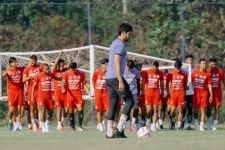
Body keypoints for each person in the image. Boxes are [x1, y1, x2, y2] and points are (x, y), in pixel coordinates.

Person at [105, 23, 134, 138]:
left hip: (109, 77)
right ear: (123, 33)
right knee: (130, 101)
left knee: (113, 105)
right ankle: (119, 129)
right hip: (116, 77)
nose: (130, 36)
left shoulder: (114, 43)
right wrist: (120, 80)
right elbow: (116, 63)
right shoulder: (120, 45)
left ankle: (109, 132)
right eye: (129, 34)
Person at [62, 62, 90, 132]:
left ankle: (80, 126)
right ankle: (72, 126)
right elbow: (63, 81)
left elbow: (84, 83)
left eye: (73, 69)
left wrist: (89, 92)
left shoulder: (81, 73)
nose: (71, 71)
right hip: (70, 94)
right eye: (70, 69)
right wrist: (63, 87)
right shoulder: (66, 73)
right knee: (71, 110)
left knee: (80, 109)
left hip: (78, 94)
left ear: (76, 68)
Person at [32, 63, 60, 132]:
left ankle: (47, 123)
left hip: (49, 97)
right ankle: (43, 126)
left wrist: (64, 79)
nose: (48, 70)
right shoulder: (39, 76)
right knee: (42, 111)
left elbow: (57, 78)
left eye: (48, 69)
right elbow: (33, 87)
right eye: (47, 69)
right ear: (43, 69)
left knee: (50, 112)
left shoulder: (51, 75)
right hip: (41, 97)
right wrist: (32, 97)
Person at [2, 57, 25, 131]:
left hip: (20, 91)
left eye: (16, 62)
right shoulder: (9, 70)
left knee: (18, 109)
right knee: (12, 109)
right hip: (12, 92)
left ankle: (17, 125)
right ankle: (10, 121)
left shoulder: (21, 69)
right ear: (10, 64)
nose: (16, 63)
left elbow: (28, 68)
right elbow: (3, 75)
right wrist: (6, 73)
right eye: (14, 62)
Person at [192, 58, 213, 131]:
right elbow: (190, 82)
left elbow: (209, 85)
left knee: (203, 110)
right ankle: (196, 122)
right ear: (199, 65)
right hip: (196, 94)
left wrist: (211, 95)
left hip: (204, 94)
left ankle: (201, 126)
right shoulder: (194, 72)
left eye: (205, 64)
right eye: (203, 63)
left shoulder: (208, 73)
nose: (204, 65)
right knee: (195, 111)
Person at [142, 61, 164, 131]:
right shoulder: (147, 72)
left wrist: (162, 91)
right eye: (154, 68)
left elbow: (162, 83)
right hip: (148, 93)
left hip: (156, 93)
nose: (155, 70)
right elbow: (142, 82)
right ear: (152, 66)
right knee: (149, 109)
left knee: (155, 109)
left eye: (157, 68)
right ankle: (148, 120)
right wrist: (142, 90)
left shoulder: (160, 73)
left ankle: (153, 125)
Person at [23, 55, 42, 131]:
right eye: (30, 61)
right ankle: (33, 124)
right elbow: (23, 80)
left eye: (33, 61)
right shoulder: (27, 69)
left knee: (40, 108)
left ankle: (41, 124)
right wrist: (29, 77)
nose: (31, 62)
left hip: (40, 90)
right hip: (31, 90)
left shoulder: (40, 67)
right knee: (32, 108)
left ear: (36, 60)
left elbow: (48, 69)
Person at [167, 59, 187, 130]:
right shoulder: (171, 74)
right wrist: (169, 92)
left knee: (180, 110)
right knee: (172, 110)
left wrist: (184, 94)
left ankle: (178, 125)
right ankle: (172, 120)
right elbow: (169, 84)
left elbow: (185, 85)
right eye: (177, 68)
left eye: (179, 68)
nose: (178, 69)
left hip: (181, 94)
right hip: (173, 94)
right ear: (174, 67)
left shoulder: (184, 75)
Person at [206, 58, 225, 130]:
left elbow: (223, 81)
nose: (213, 65)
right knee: (209, 109)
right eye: (212, 64)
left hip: (218, 93)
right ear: (209, 64)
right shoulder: (207, 72)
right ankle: (208, 123)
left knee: (217, 109)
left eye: (214, 64)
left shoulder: (220, 72)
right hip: (209, 93)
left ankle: (214, 125)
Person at [52, 51, 68, 131]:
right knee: (58, 108)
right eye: (60, 65)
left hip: (65, 93)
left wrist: (67, 55)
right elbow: (54, 64)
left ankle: (61, 121)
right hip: (57, 93)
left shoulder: (66, 71)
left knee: (66, 110)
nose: (61, 66)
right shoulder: (55, 71)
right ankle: (58, 124)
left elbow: (69, 63)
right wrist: (60, 54)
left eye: (63, 64)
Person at [92, 58, 109, 132]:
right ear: (101, 65)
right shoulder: (96, 72)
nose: (106, 66)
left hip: (106, 94)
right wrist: (95, 90)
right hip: (98, 94)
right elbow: (93, 81)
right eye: (104, 64)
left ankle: (102, 121)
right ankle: (100, 124)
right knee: (99, 110)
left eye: (107, 65)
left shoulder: (109, 73)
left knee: (108, 110)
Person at [123, 59, 140, 131]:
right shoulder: (122, 70)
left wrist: (138, 91)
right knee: (127, 107)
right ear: (126, 65)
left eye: (131, 68)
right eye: (128, 67)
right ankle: (127, 123)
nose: (129, 69)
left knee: (136, 106)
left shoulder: (136, 71)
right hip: (125, 92)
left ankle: (133, 124)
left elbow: (138, 82)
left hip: (134, 91)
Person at [181, 54, 194, 130]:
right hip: (183, 92)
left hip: (190, 92)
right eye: (189, 60)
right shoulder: (183, 69)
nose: (190, 61)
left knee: (190, 108)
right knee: (183, 108)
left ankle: (188, 124)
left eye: (191, 60)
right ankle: (181, 122)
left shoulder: (193, 70)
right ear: (185, 61)